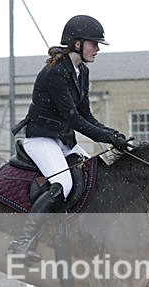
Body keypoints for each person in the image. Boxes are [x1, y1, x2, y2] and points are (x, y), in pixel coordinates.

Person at [8, 14, 131, 264]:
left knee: (96, 172)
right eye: (94, 44)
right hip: (41, 139)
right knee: (62, 183)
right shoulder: (55, 72)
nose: (97, 49)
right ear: (77, 44)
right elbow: (74, 119)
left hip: (63, 141)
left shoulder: (81, 71)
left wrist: (113, 134)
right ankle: (21, 244)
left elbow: (86, 115)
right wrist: (107, 137)